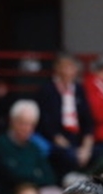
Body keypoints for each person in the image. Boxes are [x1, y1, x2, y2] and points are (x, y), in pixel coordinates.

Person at [0, 99, 58, 194]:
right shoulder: (0, 144)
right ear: (12, 121)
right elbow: (11, 176)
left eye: (31, 125)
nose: (27, 128)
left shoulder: (34, 147)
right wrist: (34, 174)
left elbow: (49, 177)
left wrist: (27, 175)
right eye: (23, 123)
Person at [36, 52, 95, 182]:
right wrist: (69, 147)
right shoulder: (47, 90)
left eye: (72, 67)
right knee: (67, 156)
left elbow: (88, 121)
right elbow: (46, 125)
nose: (68, 71)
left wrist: (86, 148)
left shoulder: (79, 89)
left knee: (100, 153)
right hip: (56, 140)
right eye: (65, 67)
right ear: (57, 69)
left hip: (77, 138)